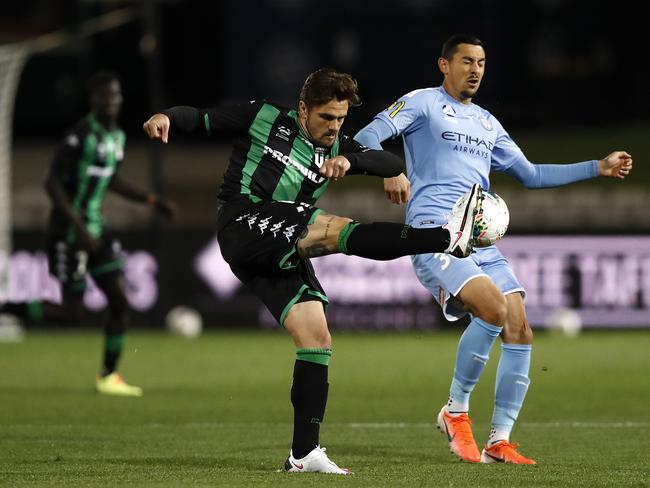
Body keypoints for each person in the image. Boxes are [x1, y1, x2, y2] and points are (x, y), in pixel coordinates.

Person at [143, 67, 484, 474]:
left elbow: (382, 158)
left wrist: (371, 165)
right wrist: (165, 115)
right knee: (331, 228)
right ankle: (445, 238)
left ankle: (303, 454)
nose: (333, 127)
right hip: (243, 221)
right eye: (326, 117)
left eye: (341, 119)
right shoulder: (265, 117)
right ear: (303, 109)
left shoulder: (337, 146)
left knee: (315, 335)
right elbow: (200, 118)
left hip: (279, 242)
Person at [355, 34, 632, 465]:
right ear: (444, 65)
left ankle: (499, 440)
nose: (476, 69)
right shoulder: (421, 103)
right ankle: (455, 411)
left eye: (482, 62)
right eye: (466, 60)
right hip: (435, 233)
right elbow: (366, 135)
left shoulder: (487, 123)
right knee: (492, 309)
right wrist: (390, 168)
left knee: (519, 325)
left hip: (479, 239)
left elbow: (532, 174)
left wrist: (596, 166)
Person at [1, 71, 176, 397]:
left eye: (116, 96)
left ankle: (108, 375)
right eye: (105, 96)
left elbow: (111, 179)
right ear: (93, 99)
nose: (111, 102)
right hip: (68, 234)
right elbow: (51, 184)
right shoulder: (78, 137)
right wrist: (79, 230)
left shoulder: (117, 137)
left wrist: (152, 200)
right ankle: (7, 308)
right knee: (71, 314)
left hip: (96, 231)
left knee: (120, 302)